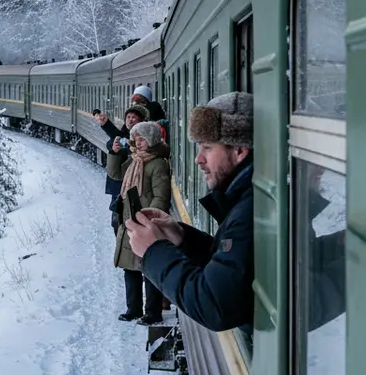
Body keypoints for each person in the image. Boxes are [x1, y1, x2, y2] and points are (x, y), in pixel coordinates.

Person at [125, 92, 254, 332]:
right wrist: (181, 236)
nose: (198, 159)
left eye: (207, 147)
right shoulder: (246, 201)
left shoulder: (250, 212)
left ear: (239, 150)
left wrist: (154, 251)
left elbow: (214, 304)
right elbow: (232, 269)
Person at [106, 120, 171, 324]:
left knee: (148, 269)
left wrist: (148, 220)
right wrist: (115, 153)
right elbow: (115, 174)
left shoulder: (157, 163)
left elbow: (161, 196)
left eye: (142, 139)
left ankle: (152, 313)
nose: (138, 143)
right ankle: (132, 309)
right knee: (130, 269)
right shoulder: (135, 161)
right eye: (136, 139)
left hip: (145, 223)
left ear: (151, 140)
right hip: (130, 222)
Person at [96, 103, 149, 231]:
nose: (130, 120)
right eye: (128, 117)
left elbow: (121, 141)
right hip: (119, 183)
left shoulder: (144, 138)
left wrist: (106, 125)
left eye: (133, 117)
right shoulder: (124, 133)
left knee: (128, 220)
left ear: (141, 121)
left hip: (133, 184)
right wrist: (112, 146)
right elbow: (116, 139)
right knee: (117, 220)